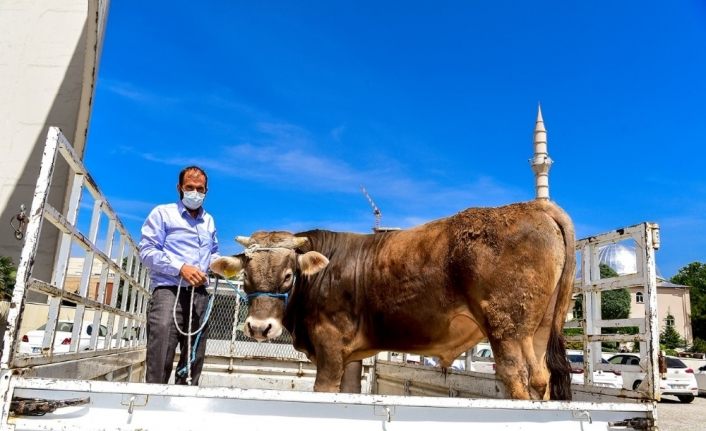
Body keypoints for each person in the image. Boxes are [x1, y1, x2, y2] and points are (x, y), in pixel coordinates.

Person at [139, 166, 220, 385]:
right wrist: (181, 267)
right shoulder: (163, 213)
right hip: (169, 292)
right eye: (190, 187)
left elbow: (212, 253)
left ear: (206, 191)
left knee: (194, 356)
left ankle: (185, 402)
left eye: (200, 189)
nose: (195, 192)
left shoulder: (209, 221)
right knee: (161, 352)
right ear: (179, 188)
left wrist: (223, 265)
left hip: (200, 296)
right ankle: (153, 402)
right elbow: (147, 252)